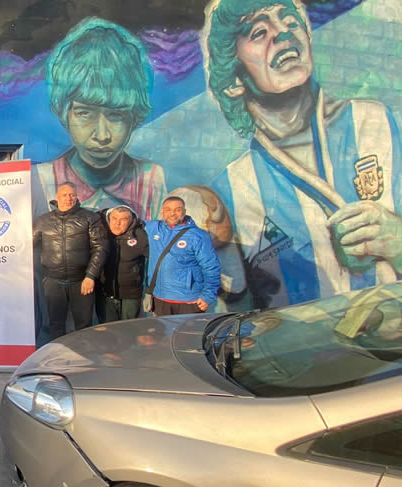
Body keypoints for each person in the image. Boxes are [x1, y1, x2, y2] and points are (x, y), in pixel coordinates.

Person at [202, 0, 401, 308]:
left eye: (291, 21)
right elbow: (233, 310)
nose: (283, 33)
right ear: (234, 81)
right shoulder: (232, 188)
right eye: (259, 32)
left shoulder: (374, 123)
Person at [32, 17, 167, 220]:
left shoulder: (151, 178)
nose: (102, 136)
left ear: (134, 117)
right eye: (84, 113)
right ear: (64, 112)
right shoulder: (42, 179)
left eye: (116, 115)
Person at [33, 183, 108, 340]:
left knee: (84, 326)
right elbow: (27, 245)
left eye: (72, 195)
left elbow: (100, 248)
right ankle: (57, 353)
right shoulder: (43, 221)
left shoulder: (90, 218)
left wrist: (91, 276)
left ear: (76, 197)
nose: (69, 198)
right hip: (53, 282)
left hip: (82, 282)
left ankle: (85, 353)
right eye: (65, 195)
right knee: (55, 325)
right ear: (57, 197)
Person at [144, 196, 221, 316]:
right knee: (162, 329)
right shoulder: (153, 228)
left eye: (178, 210)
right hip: (160, 298)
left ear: (184, 212)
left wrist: (208, 296)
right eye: (168, 210)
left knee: (188, 329)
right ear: (162, 212)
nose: (172, 214)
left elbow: (211, 267)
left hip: (188, 300)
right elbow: (130, 221)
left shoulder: (198, 235)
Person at [96, 205, 148, 322]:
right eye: (114, 218)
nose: (117, 223)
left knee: (128, 328)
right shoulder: (100, 233)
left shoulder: (140, 236)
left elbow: (155, 260)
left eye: (123, 219)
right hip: (105, 293)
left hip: (131, 295)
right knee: (107, 329)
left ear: (131, 221)